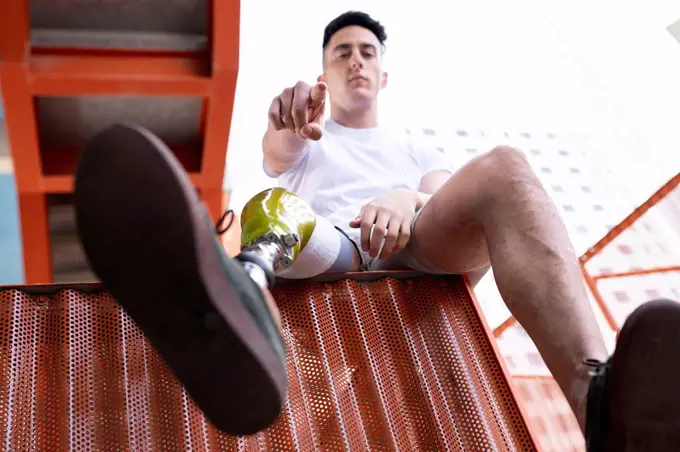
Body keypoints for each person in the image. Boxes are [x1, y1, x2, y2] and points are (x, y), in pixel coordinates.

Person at [74, 10, 680, 450]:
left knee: (507, 169)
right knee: (272, 205)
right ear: (324, 72)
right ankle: (239, 292)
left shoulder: (415, 146)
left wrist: (407, 198)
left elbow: (451, 204)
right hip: (329, 247)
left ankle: (599, 405)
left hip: (421, 245)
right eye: (342, 52)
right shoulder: (308, 133)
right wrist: (285, 117)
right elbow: (279, 147)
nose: (355, 59)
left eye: (366, 51)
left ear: (383, 74)